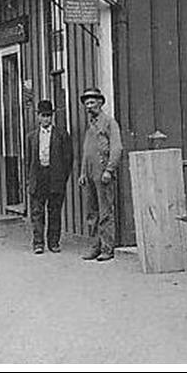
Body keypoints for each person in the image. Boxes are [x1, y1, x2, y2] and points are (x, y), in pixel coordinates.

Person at [78, 87, 123, 262]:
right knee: (92, 213)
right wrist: (82, 173)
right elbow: (86, 151)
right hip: (90, 175)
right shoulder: (90, 126)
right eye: (86, 103)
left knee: (105, 212)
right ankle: (94, 246)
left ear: (100, 103)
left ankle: (107, 248)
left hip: (103, 173)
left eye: (92, 102)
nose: (89, 106)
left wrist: (109, 170)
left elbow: (117, 148)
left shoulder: (109, 123)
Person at [24, 100, 74, 254]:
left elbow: (68, 158)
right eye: (43, 116)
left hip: (55, 177)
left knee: (55, 211)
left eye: (48, 116)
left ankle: (54, 242)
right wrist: (29, 178)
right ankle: (38, 243)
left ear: (52, 116)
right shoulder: (31, 136)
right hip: (38, 176)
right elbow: (28, 160)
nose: (46, 119)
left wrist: (62, 177)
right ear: (38, 117)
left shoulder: (61, 134)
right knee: (37, 212)